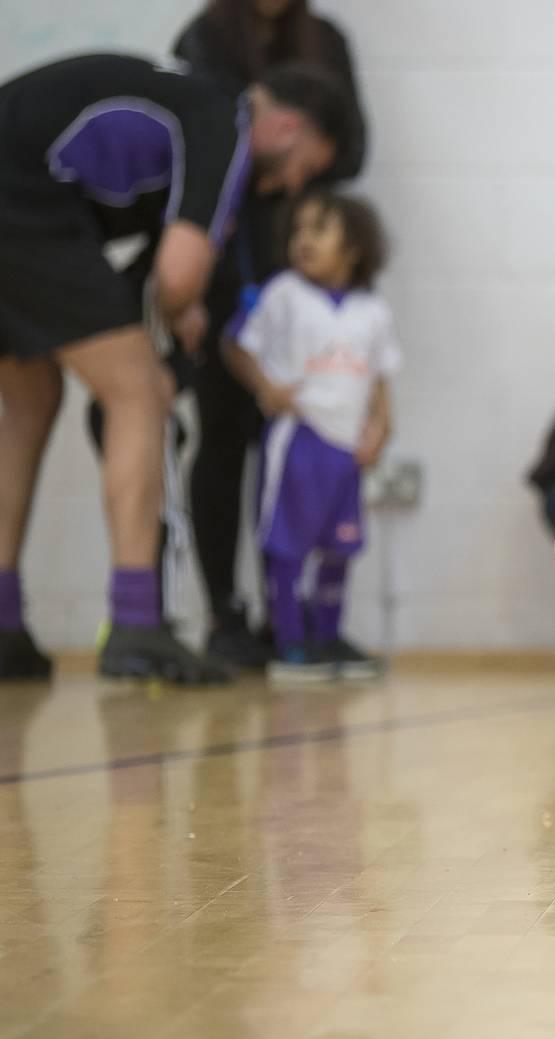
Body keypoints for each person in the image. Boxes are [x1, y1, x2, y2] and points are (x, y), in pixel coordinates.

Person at [0, 53, 350, 684]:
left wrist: (168, 304)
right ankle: (136, 623)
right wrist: (172, 316)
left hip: (25, 192)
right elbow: (179, 276)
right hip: (19, 199)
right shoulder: (224, 125)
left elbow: (158, 272)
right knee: (140, 393)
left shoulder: (191, 94)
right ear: (290, 129)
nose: (295, 187)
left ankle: (2, 625)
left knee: (29, 404)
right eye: (307, 169)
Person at [174, 0, 368, 670]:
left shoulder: (326, 41)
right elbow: (206, 143)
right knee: (222, 438)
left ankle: (296, 622)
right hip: (219, 263)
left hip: (294, 275)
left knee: (294, 455)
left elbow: (353, 152)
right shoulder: (204, 37)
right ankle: (225, 613)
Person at [224, 191, 398, 682]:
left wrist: (382, 424)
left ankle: (327, 635)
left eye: (319, 230)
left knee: (340, 545)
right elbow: (237, 344)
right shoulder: (283, 293)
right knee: (287, 544)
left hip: (347, 446)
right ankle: (290, 643)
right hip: (299, 437)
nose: (303, 241)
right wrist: (266, 387)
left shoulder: (372, 309)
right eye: (298, 231)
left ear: (355, 247)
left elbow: (382, 375)